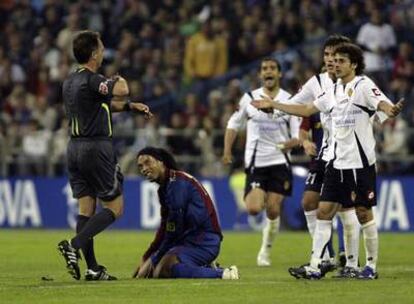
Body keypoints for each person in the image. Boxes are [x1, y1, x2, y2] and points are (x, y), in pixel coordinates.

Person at [252, 43, 404, 280]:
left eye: (342, 60)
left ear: (353, 64)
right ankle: (315, 266)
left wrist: (390, 109)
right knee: (323, 211)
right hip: (335, 161)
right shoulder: (331, 90)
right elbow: (305, 108)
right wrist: (274, 104)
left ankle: (370, 268)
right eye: (334, 59)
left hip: (359, 163)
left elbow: (381, 104)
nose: (336, 63)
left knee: (363, 213)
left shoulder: (363, 85)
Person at [57, 30, 153, 281]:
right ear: (93, 54)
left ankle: (92, 269)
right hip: (97, 149)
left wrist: (131, 107)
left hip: (74, 149)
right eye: (100, 48)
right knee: (115, 207)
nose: (102, 52)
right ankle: (73, 245)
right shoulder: (92, 79)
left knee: (86, 209)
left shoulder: (69, 82)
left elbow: (102, 105)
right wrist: (116, 80)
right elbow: (122, 89)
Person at [222, 58, 301, 267]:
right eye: (265, 69)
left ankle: (265, 252)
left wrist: (287, 145)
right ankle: (263, 196)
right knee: (254, 209)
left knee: (273, 210)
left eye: (272, 68)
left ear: (279, 74)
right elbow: (233, 123)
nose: (268, 72)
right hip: (257, 162)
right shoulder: (249, 98)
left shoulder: (290, 101)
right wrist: (227, 149)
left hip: (280, 162)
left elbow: (298, 136)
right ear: (260, 75)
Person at [288, 35, 354, 272]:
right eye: (326, 55)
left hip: (347, 155)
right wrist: (303, 142)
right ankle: (325, 255)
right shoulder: (316, 87)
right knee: (310, 202)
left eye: (335, 55)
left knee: (346, 208)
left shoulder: (355, 85)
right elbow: (303, 118)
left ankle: (349, 257)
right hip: (322, 156)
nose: (329, 60)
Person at [133, 147, 239, 280]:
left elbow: (173, 230)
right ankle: (207, 268)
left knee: (163, 270)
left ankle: (224, 274)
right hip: (189, 241)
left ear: (161, 162)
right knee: (152, 272)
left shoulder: (178, 184)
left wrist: (155, 258)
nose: (144, 168)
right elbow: (164, 229)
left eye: (148, 162)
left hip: (204, 240)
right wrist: (147, 256)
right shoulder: (165, 188)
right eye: (140, 166)